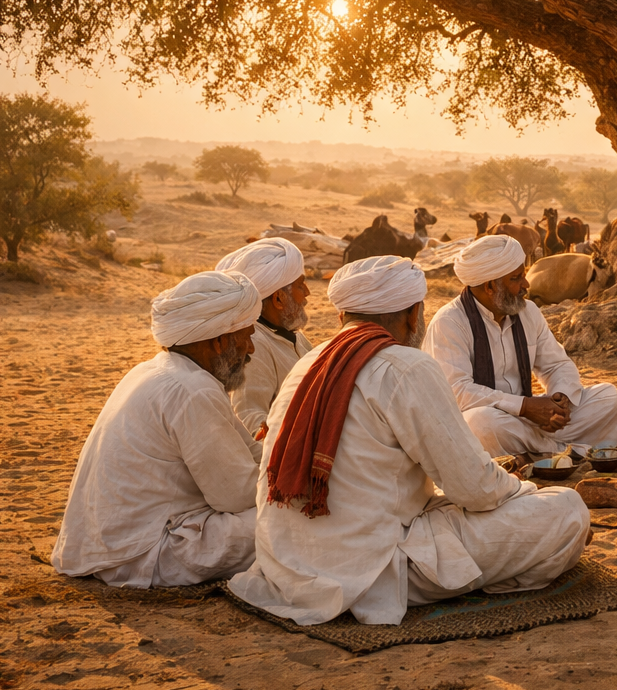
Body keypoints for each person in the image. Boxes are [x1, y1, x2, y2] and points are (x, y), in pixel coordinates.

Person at [228, 256, 589, 626]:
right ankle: (502, 575)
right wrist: (524, 491)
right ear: (414, 316)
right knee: (565, 509)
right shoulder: (407, 366)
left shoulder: (309, 363)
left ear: (343, 317)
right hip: (374, 567)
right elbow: (476, 489)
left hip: (287, 563)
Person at [53, 271, 263, 587]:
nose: (251, 349)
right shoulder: (192, 389)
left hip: (103, 546)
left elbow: (248, 450)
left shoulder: (157, 371)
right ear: (218, 341)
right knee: (286, 522)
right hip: (143, 553)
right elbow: (236, 496)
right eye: (245, 336)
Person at [422, 234, 617, 456]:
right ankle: (566, 452)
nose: (526, 284)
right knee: (480, 423)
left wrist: (561, 400)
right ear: (490, 286)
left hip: (527, 422)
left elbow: (556, 365)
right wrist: (525, 407)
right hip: (490, 420)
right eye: (517, 278)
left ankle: (539, 453)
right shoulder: (449, 322)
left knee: (609, 398)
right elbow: (458, 393)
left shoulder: (528, 312)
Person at [217, 238, 313, 438]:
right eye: (300, 285)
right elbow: (249, 418)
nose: (307, 293)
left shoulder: (294, 336)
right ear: (279, 299)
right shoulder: (254, 346)